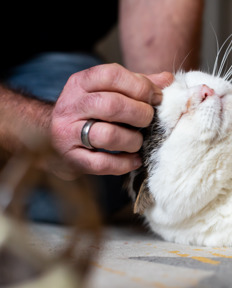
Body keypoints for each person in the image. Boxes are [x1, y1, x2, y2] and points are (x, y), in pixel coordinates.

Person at [0, 0, 204, 221]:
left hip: (46, 55)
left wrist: (159, 123)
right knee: (59, 175)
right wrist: (43, 126)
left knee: (105, 157)